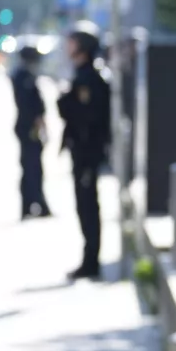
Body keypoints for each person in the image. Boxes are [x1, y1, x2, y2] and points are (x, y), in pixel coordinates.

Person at [57, 21, 111, 280]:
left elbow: (84, 115)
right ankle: (89, 259)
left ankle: (91, 262)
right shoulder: (82, 75)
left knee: (88, 206)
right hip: (82, 150)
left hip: (87, 151)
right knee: (83, 205)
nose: (69, 47)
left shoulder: (89, 78)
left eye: (73, 42)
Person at [11, 46, 52, 219]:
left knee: (33, 166)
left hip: (29, 128)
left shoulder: (26, 75)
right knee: (31, 166)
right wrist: (40, 125)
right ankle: (33, 203)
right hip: (28, 128)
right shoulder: (23, 77)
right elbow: (31, 106)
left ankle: (34, 203)